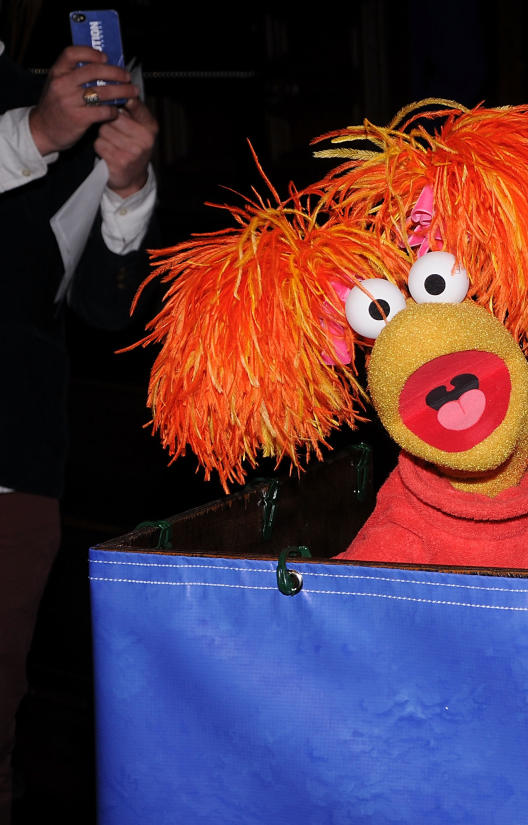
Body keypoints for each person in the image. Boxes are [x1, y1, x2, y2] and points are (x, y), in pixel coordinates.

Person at [0, 42, 157, 824]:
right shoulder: (32, 109)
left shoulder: (73, 80)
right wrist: (31, 134)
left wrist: (127, 186)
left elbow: (106, 308)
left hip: (16, 460)